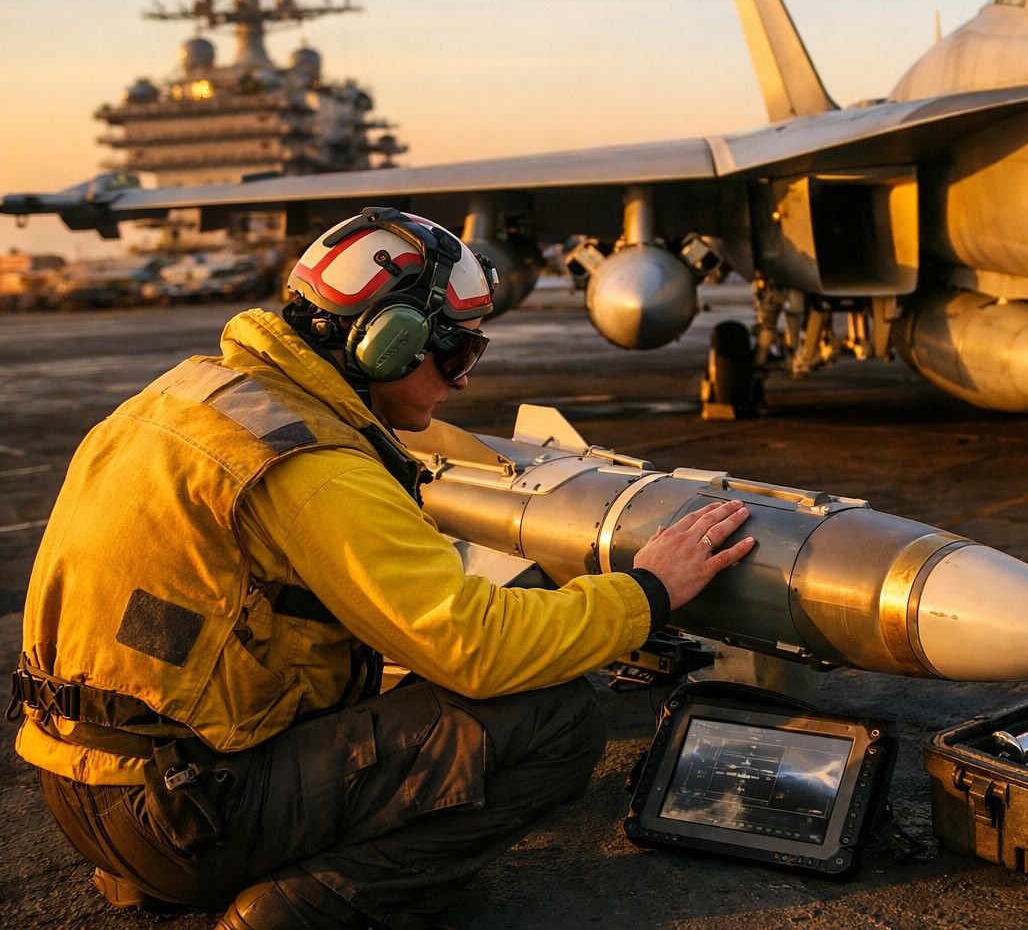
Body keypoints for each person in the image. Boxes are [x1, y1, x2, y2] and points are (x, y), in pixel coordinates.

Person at [7, 206, 755, 929]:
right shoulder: (310, 463)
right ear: (385, 344)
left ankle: (157, 876)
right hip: (183, 813)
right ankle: (309, 908)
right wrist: (646, 592)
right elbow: (476, 648)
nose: (462, 379)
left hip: (86, 792)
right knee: (557, 716)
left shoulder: (180, 399)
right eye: (455, 351)